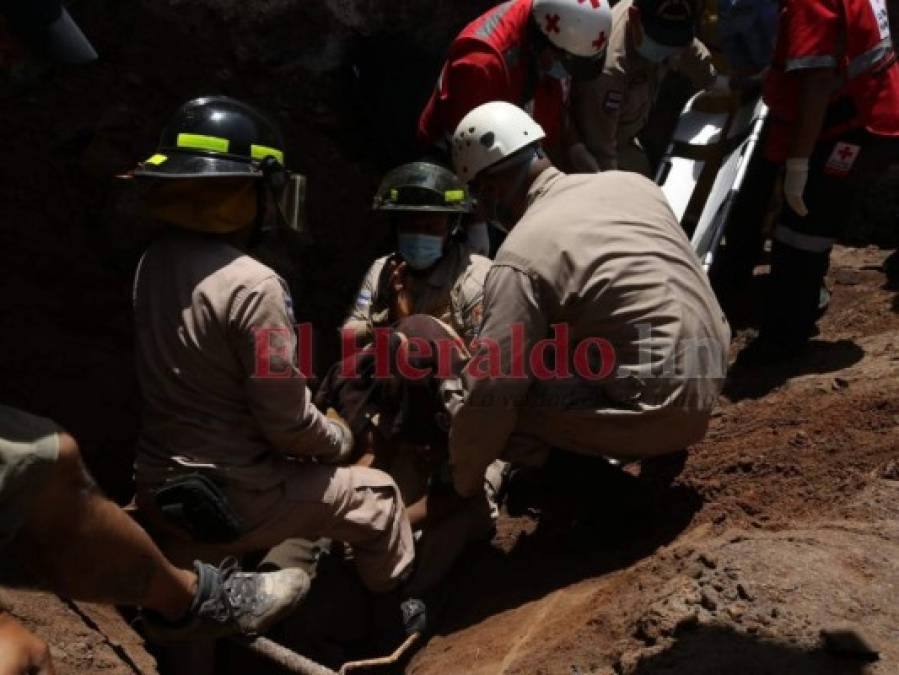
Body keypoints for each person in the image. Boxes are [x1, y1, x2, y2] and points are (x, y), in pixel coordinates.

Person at [126, 96, 420, 629]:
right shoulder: (254, 283)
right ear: (247, 191)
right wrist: (338, 438)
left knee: (197, 592)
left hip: (159, 485)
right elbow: (287, 425)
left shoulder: (154, 262)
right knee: (378, 498)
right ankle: (389, 615)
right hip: (235, 498)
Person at [445, 101, 730, 500]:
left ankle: (615, 503)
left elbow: (492, 389)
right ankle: (652, 444)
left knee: (497, 405)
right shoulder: (634, 185)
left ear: (488, 190)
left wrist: (464, 480)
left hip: (662, 408)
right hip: (710, 373)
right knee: (571, 333)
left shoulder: (520, 254)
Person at [0, 405, 309, 673]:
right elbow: (289, 422)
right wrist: (337, 434)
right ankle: (191, 599)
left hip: (160, 468)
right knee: (355, 503)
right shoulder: (289, 336)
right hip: (228, 485)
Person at [738, 0, 899, 363]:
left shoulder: (810, 3)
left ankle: (784, 337)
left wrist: (798, 163)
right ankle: (798, 310)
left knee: (802, 230)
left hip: (849, 124)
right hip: (864, 116)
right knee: (812, 222)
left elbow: (817, 80)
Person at [343, 161, 491, 347]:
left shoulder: (474, 277)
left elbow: (481, 361)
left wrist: (410, 326)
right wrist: (387, 320)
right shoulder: (381, 271)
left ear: (451, 228)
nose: (420, 235)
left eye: (431, 228)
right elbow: (347, 336)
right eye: (410, 227)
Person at [572, 0, 727, 175]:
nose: (668, 48)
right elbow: (601, 147)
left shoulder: (663, 19)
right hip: (603, 140)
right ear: (634, 17)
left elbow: (689, 48)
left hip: (638, 116)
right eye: (661, 41)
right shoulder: (609, 72)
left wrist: (716, 81)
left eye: (673, 41)